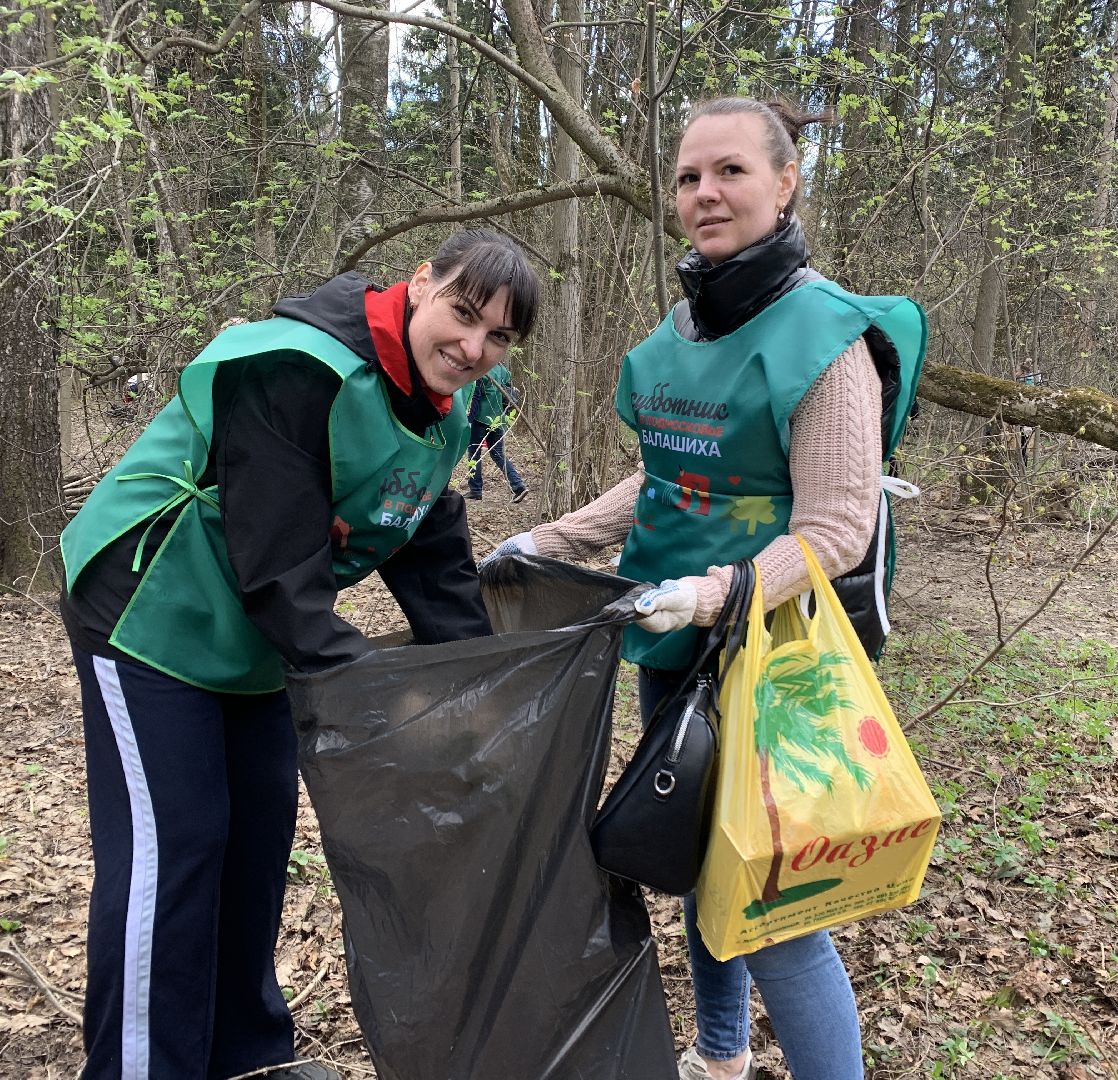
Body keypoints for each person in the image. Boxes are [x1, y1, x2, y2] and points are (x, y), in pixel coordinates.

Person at [486, 98, 925, 1080]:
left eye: (727, 171)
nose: (703, 194)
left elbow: (834, 526)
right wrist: (543, 538)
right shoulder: (681, 328)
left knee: (773, 906)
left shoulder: (825, 336)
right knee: (686, 852)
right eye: (687, 177)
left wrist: (715, 594)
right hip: (670, 637)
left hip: (773, 659)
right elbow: (663, 474)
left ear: (783, 182)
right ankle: (719, 1056)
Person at [59, 229, 539, 1080]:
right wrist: (372, 696)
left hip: (251, 635)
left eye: (497, 337)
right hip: (148, 607)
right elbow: (280, 568)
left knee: (256, 839)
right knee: (177, 848)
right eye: (463, 315)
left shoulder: (452, 402)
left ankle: (245, 1057)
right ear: (421, 283)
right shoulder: (300, 366)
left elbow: (431, 548)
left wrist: (477, 690)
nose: (473, 348)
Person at [463, 361, 529, 502]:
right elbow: (510, 394)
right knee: (498, 454)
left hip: (481, 418)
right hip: (499, 419)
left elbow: (476, 396)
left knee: (474, 452)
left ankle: (475, 489)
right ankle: (518, 485)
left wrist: (469, 419)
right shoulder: (503, 370)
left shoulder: (483, 369)